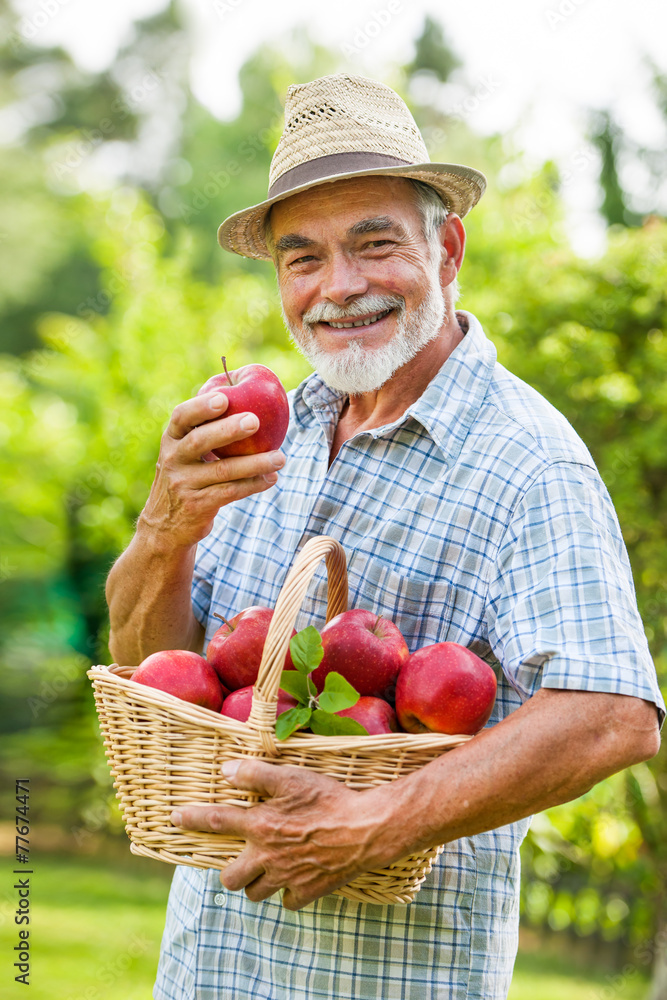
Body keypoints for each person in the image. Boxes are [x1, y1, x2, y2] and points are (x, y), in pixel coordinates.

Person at [105, 73, 664, 1000]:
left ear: (446, 250)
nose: (340, 287)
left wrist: (376, 821)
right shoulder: (261, 434)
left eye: (375, 244)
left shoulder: (525, 462)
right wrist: (166, 525)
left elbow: (612, 715)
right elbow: (156, 671)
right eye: (303, 258)